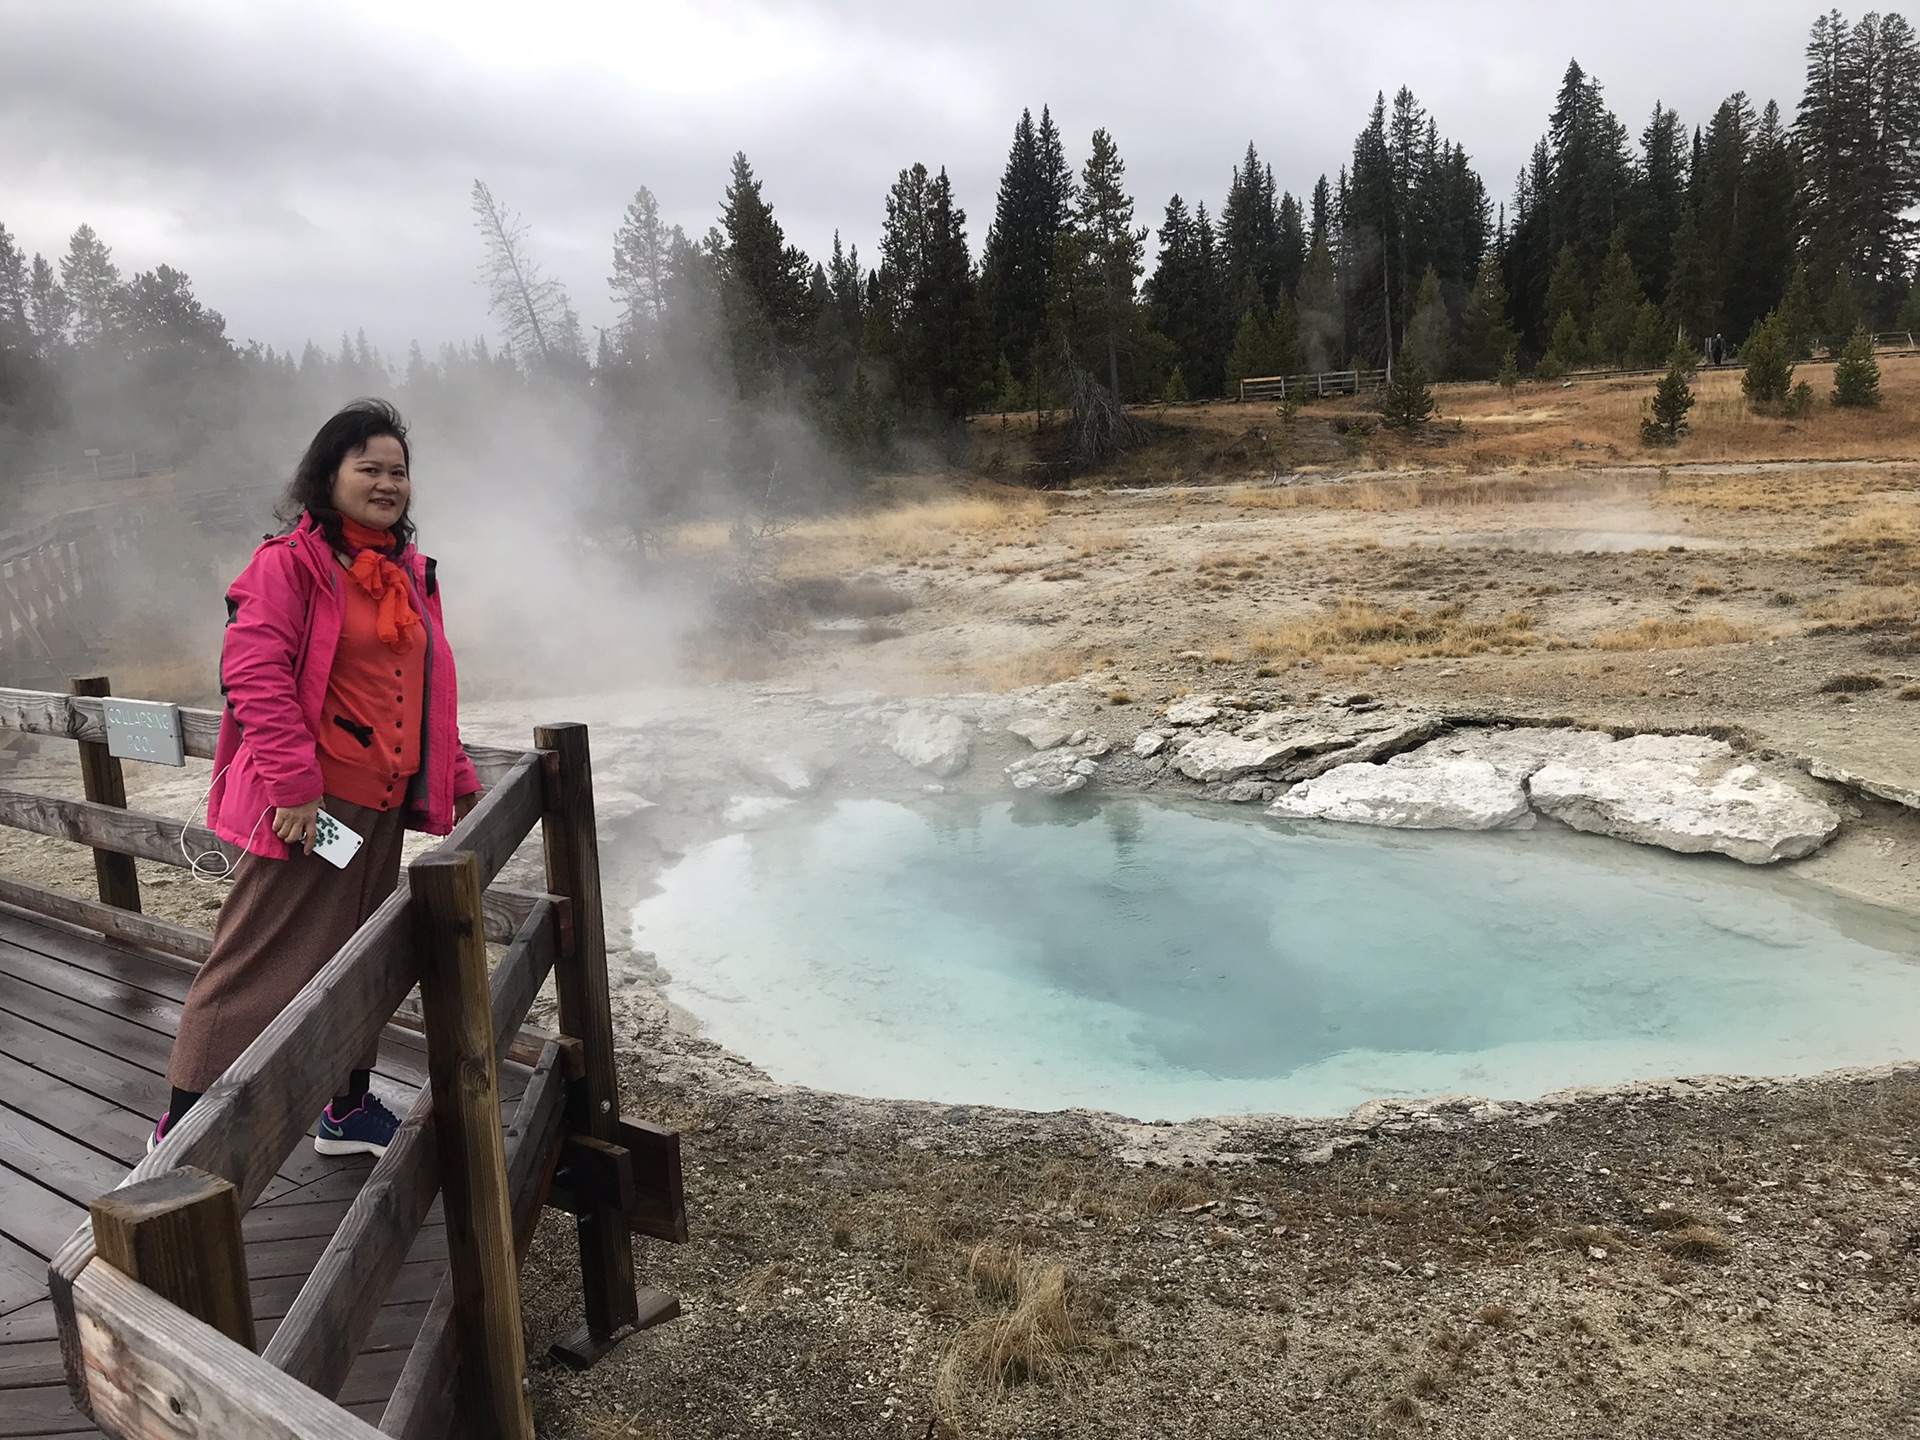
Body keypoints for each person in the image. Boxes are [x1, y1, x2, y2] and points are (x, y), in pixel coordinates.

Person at [155, 399, 481, 1158]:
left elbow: (428, 684)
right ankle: (180, 1125)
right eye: (368, 468)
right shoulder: (290, 564)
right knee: (258, 958)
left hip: (383, 805)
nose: (387, 483)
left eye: (397, 471)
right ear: (327, 475)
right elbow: (253, 673)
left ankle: (346, 1107)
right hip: (310, 807)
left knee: (356, 955)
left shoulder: (405, 572)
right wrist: (295, 786)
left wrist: (456, 777)